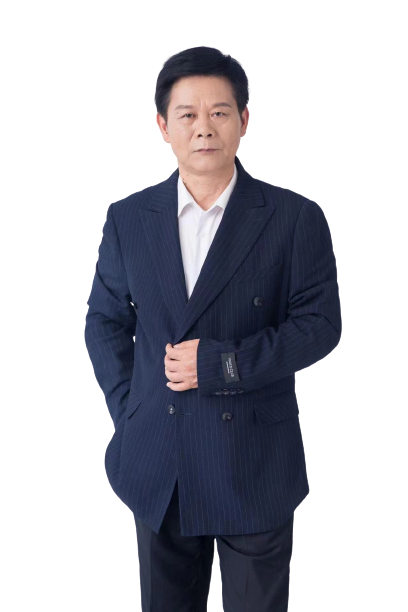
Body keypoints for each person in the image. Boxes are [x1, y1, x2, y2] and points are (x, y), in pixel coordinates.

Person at [85, 45, 341, 612]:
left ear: (245, 120)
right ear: (163, 126)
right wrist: (133, 411)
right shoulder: (127, 218)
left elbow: (320, 325)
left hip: (253, 462)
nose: (204, 127)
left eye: (220, 112)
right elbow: (104, 322)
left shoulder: (295, 217)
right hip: (157, 460)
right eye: (188, 114)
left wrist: (223, 364)